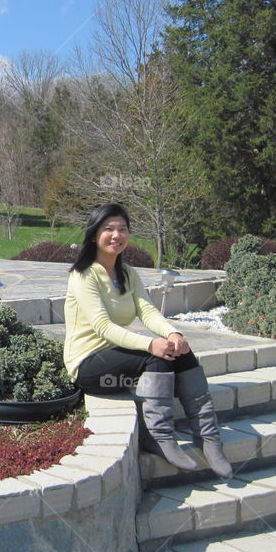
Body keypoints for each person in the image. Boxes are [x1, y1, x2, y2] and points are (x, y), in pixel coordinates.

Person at [62, 203, 232, 477]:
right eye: (108, 229)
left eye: (122, 229)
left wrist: (173, 334)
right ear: (94, 235)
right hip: (88, 364)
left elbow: (148, 311)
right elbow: (103, 327)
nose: (116, 235)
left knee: (181, 351)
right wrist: (151, 344)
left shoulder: (128, 273)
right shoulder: (83, 275)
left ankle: (208, 438)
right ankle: (159, 436)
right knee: (157, 355)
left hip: (118, 357)